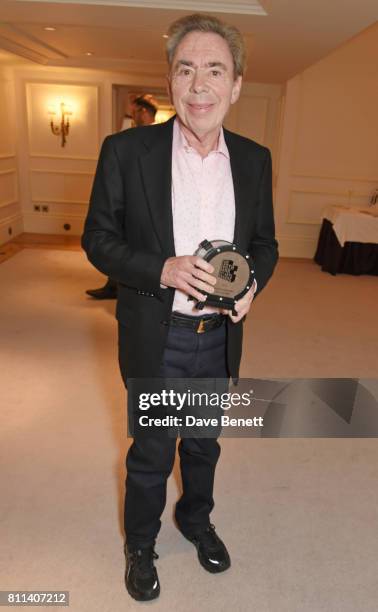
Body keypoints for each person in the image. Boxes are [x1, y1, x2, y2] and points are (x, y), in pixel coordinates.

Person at [82, 13, 278, 602]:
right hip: (157, 330)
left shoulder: (254, 158)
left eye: (214, 70)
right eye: (186, 68)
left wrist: (250, 288)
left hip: (219, 336)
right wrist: (163, 269)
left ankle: (196, 520)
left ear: (236, 85)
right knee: (150, 452)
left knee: (203, 444)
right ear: (171, 82)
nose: (199, 85)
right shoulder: (126, 150)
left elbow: (265, 244)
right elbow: (98, 240)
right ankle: (140, 543)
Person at [85, 94, 158, 299]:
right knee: (116, 239)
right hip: (124, 196)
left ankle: (122, 285)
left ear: (143, 112)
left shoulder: (152, 137)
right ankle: (113, 284)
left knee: (129, 242)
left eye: (134, 111)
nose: (132, 115)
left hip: (139, 199)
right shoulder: (129, 136)